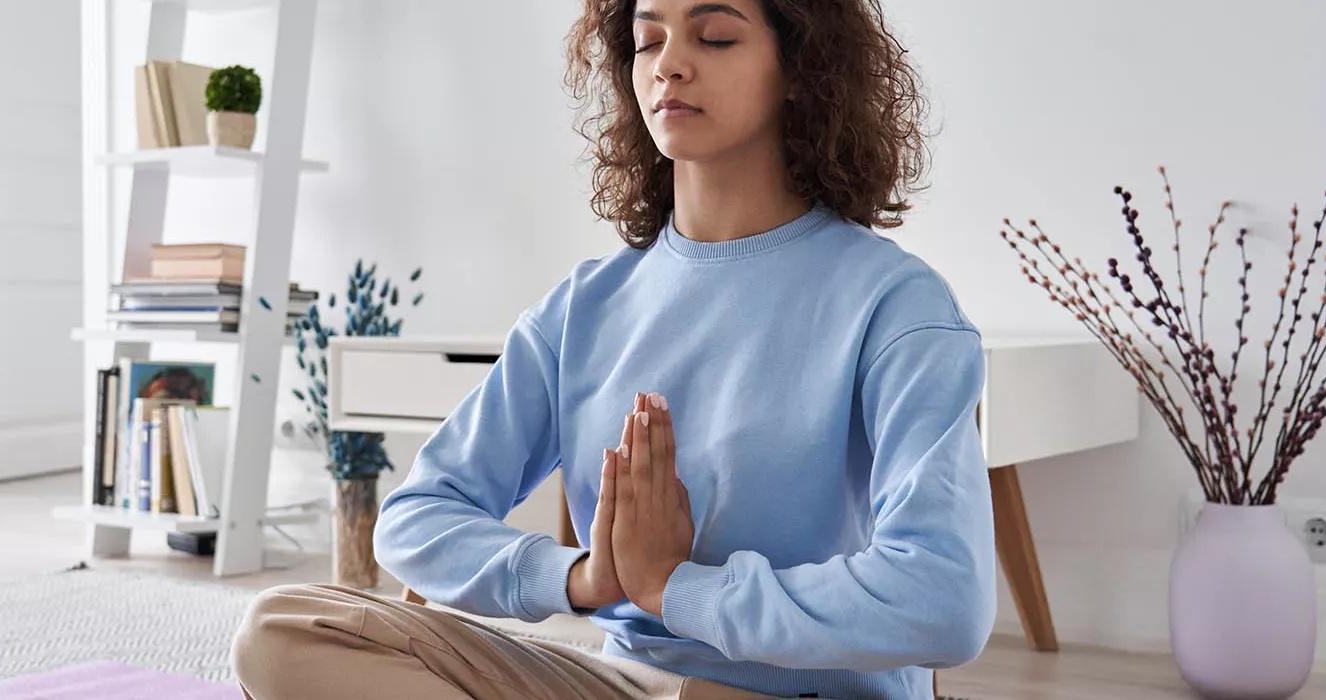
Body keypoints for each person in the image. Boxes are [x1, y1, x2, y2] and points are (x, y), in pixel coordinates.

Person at [231, 0, 993, 697]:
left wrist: (678, 590)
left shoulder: (896, 305)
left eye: (715, 37)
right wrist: (583, 578)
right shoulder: (585, 307)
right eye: (649, 41)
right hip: (626, 684)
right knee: (283, 634)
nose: (670, 64)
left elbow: (945, 599)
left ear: (800, 67)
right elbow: (415, 517)